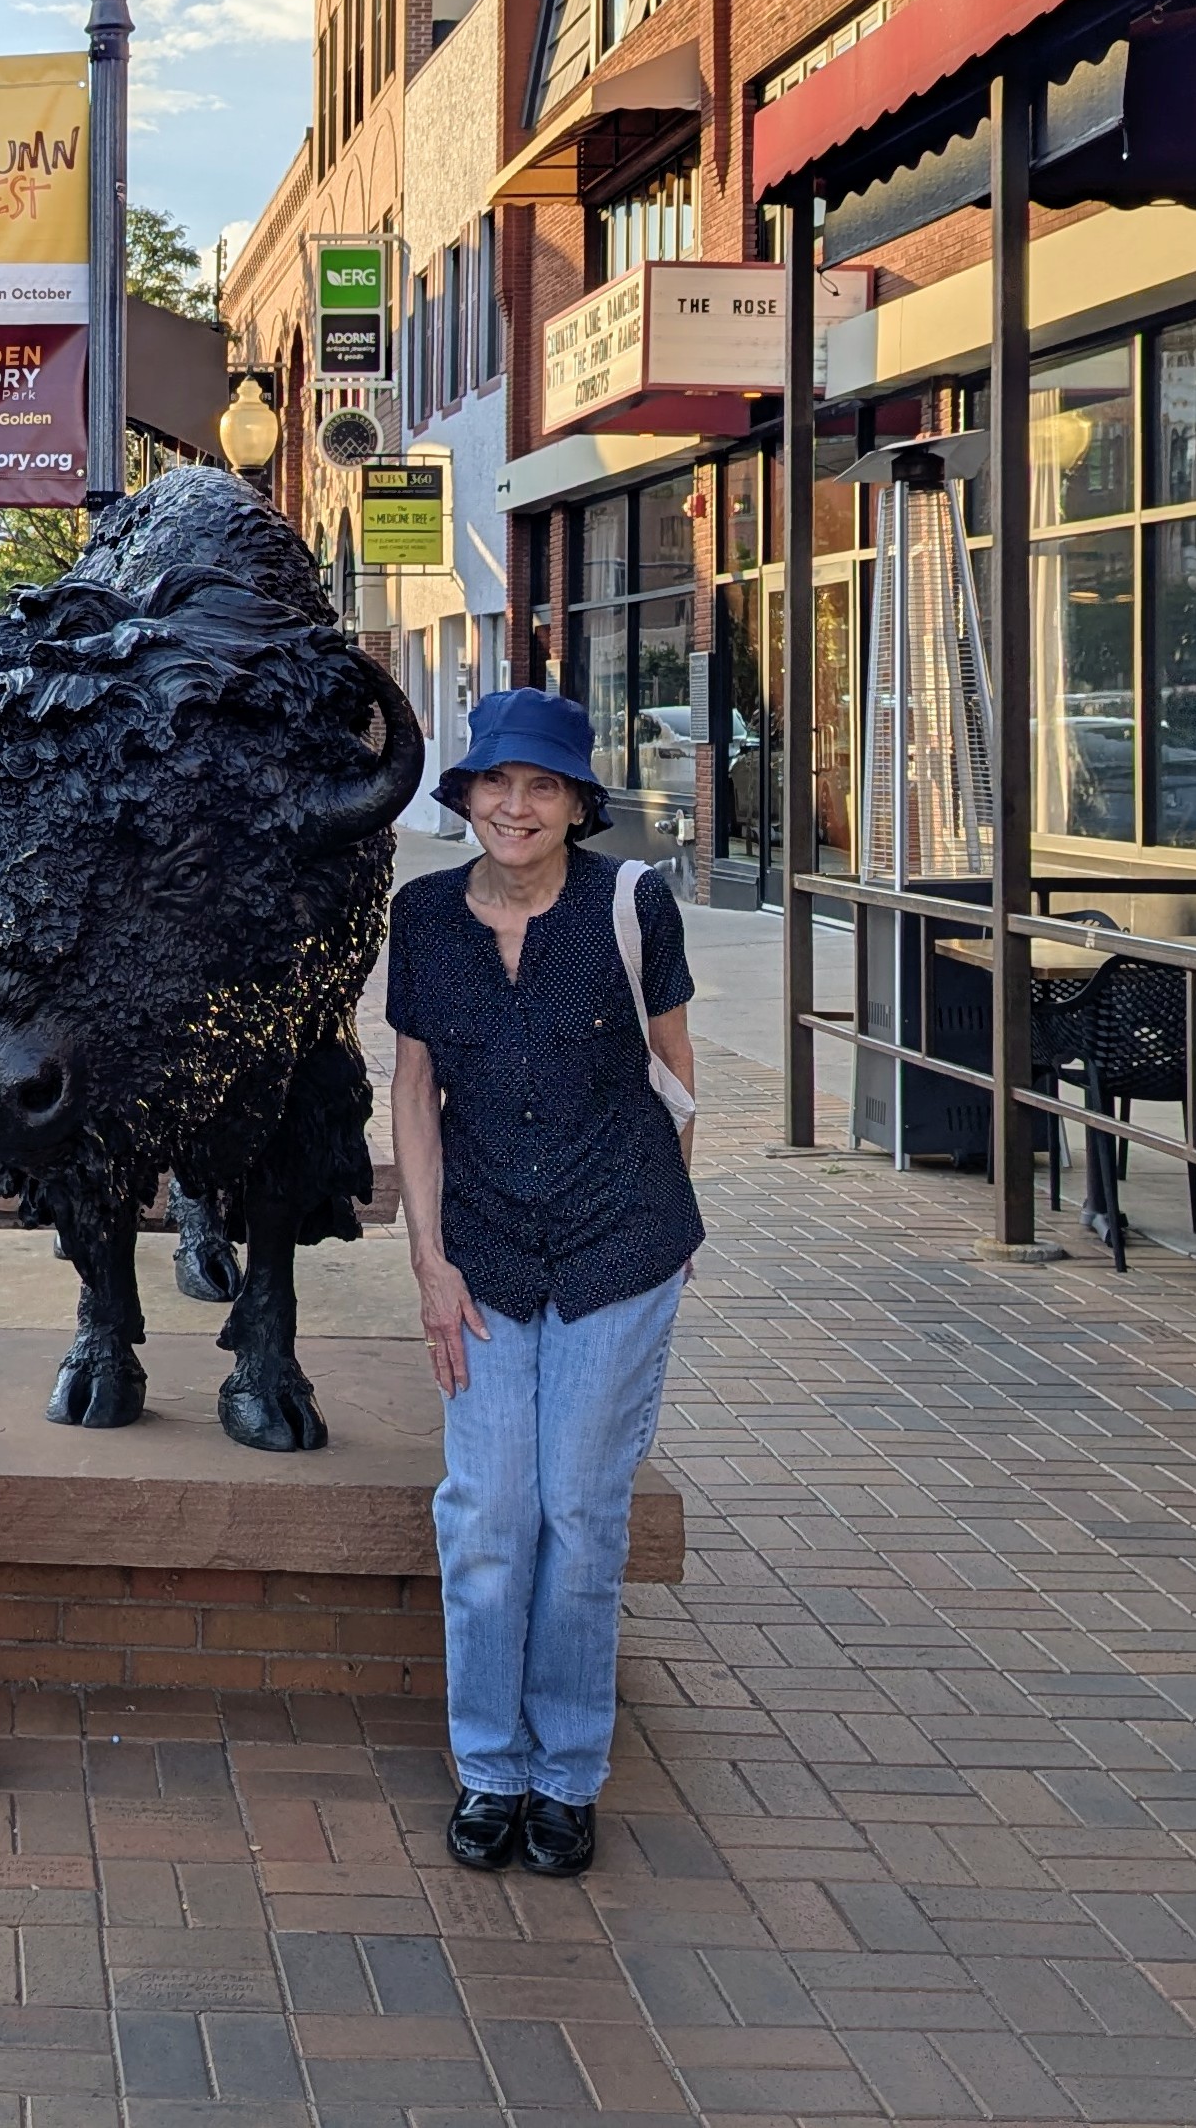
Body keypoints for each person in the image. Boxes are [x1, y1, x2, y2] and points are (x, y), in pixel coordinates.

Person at [386, 688, 701, 1879]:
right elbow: (414, 1092)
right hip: (483, 1256)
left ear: (576, 802)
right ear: (465, 796)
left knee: (580, 1515)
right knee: (486, 1517)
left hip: (617, 1246)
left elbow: (675, 1075)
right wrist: (428, 1261)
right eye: (496, 782)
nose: (517, 805)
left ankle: (565, 1772)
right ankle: (489, 1767)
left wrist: (662, 1231)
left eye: (544, 785)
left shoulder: (631, 903)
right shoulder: (423, 917)